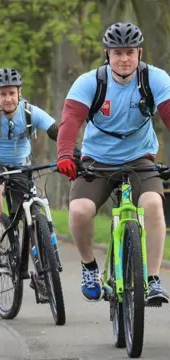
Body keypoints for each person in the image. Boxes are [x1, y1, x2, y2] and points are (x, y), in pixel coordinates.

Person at [57, 22, 170, 304]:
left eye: (130, 52)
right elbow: (70, 121)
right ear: (107, 54)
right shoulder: (90, 82)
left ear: (140, 53)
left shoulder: (154, 79)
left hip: (139, 157)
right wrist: (64, 154)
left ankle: (153, 279)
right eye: (117, 52)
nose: (124, 59)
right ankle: (89, 268)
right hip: (98, 160)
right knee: (80, 210)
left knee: (154, 204)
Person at [0, 68, 58, 296]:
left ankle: (41, 274)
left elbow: (56, 130)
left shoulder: (30, 112)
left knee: (35, 215)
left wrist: (72, 151)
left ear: (19, 92)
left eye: (11, 93)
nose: (7, 98)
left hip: (21, 166)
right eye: (2, 94)